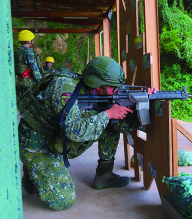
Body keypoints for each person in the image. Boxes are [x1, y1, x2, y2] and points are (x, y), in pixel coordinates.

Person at [18, 56, 156, 210]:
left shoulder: (94, 90)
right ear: (97, 84)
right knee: (63, 201)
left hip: (55, 136)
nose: (116, 90)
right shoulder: (64, 87)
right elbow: (73, 130)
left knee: (109, 125)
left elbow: (119, 126)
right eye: (113, 87)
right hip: (36, 144)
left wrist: (145, 100)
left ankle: (104, 176)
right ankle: (32, 172)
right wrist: (108, 114)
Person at [14, 30, 42, 98]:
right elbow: (34, 70)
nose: (33, 41)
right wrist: (41, 83)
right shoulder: (29, 52)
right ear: (29, 41)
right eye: (32, 40)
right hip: (27, 83)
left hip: (17, 81)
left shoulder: (17, 51)